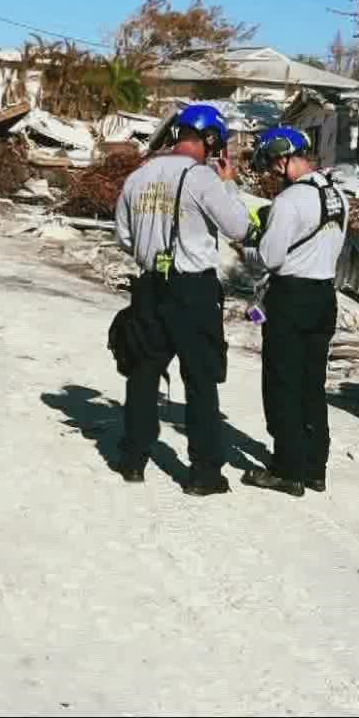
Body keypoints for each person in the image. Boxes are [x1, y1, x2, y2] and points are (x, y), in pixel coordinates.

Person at [111, 104, 253, 494]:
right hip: (192, 290)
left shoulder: (139, 177)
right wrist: (229, 184)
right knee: (201, 381)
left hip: (149, 286)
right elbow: (238, 226)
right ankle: (204, 473)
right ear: (210, 139)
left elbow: (123, 236)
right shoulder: (202, 179)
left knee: (142, 375)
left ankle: (133, 459)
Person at [242, 127, 348, 497]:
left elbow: (269, 258)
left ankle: (288, 469)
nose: (272, 171)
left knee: (282, 383)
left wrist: (246, 250)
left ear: (286, 157)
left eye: (273, 163)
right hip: (323, 296)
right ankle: (314, 467)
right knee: (311, 385)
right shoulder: (337, 196)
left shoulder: (289, 202)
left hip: (291, 297)